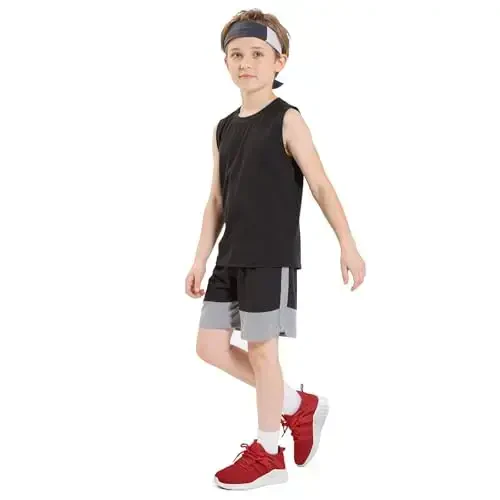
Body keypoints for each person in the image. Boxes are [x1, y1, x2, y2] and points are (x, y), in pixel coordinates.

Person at [185, 8, 366, 490]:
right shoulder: (223, 127)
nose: (246, 63)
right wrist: (200, 257)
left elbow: (321, 184)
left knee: (263, 353)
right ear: (226, 62)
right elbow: (216, 199)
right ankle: (297, 405)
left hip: (269, 256)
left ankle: (269, 454)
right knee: (209, 347)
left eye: (257, 54)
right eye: (236, 55)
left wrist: (347, 243)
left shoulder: (288, 120)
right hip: (230, 257)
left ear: (279, 62)